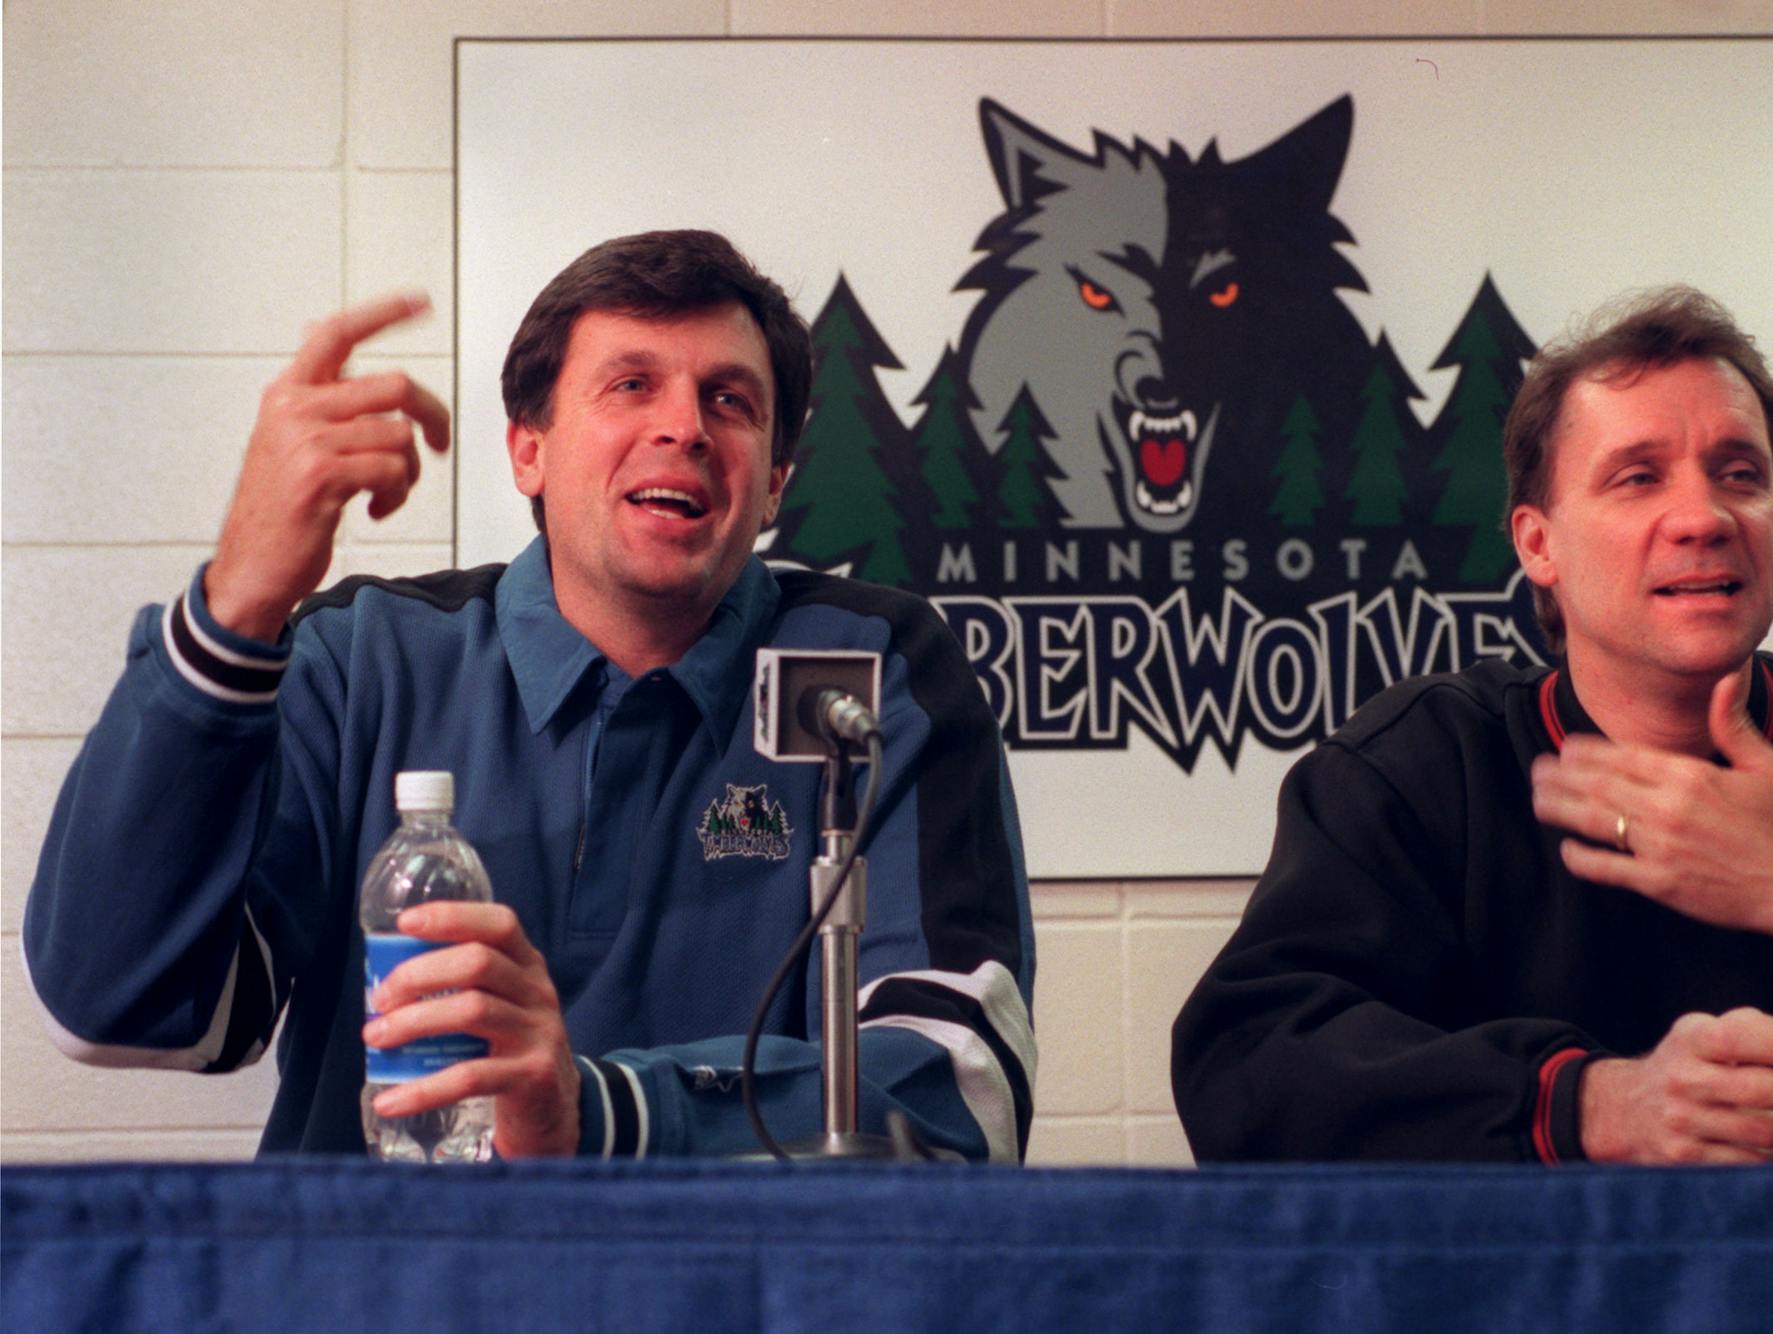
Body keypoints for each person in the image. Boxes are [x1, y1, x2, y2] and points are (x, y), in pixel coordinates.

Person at [25, 230, 1035, 1162]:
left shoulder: (879, 670)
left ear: (774, 482)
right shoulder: (359, 659)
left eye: (730, 400)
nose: (683, 425)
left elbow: (961, 1088)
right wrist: (232, 611)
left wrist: (594, 1111)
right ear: (528, 451)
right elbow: (121, 1005)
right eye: (631, 383)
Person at [1171, 286, 1773, 1164]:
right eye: (1638, 477)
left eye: (1739, 473)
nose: (1703, 515)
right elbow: (1244, 1063)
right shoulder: (1422, 768)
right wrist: (1585, 1104)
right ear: (1537, 542)